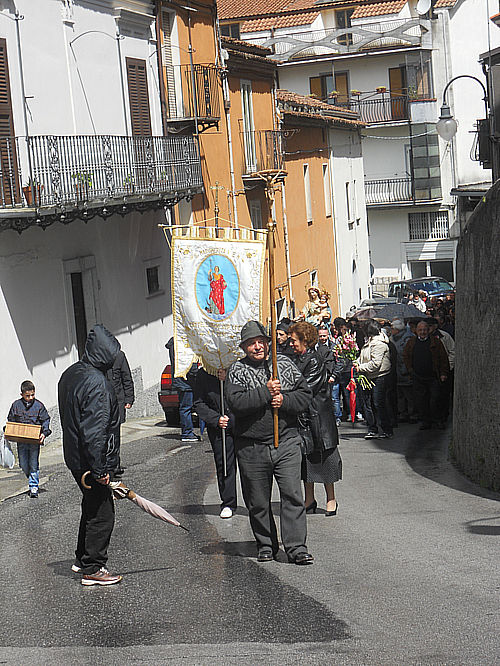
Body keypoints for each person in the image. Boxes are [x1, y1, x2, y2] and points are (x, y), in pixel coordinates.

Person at [225, 321, 314, 565]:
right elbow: (237, 404)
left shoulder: (283, 364)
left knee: (292, 495)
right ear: (244, 347)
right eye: (251, 344)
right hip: (251, 446)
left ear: (268, 342)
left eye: (261, 342)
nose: (257, 347)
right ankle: (266, 544)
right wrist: (266, 392)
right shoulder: (236, 370)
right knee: (257, 500)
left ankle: (296, 547)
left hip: (285, 442)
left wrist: (284, 400)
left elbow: (305, 394)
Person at [58, 324, 122, 586]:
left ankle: (81, 558)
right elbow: (95, 433)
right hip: (90, 461)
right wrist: (101, 471)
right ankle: (94, 568)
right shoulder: (97, 383)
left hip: (75, 457)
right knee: (103, 512)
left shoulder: (70, 373)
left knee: (91, 505)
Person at [289, 322, 341, 516]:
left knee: (325, 460)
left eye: (294, 340)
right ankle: (309, 499)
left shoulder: (314, 360)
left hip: (318, 419)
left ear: (304, 340)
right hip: (303, 419)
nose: (292, 344)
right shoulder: (296, 359)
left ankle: (331, 499)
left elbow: (305, 388)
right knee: (306, 461)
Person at [194, 367, 237, 519]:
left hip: (242, 424)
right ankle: (228, 502)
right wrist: (215, 419)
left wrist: (228, 380)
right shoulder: (203, 374)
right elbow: (199, 403)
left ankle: (255, 503)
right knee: (224, 464)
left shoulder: (239, 368)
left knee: (250, 467)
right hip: (220, 427)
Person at [6, 380, 51, 499]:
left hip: (35, 441)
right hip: (21, 441)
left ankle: (33, 486)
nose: (30, 398)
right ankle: (31, 476)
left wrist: (44, 433)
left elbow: (45, 420)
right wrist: (9, 430)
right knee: (23, 464)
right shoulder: (16, 405)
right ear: (22, 394)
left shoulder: (39, 406)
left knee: (33, 463)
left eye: (32, 395)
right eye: (27, 396)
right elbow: (11, 420)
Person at [403, 320, 449, 430]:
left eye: (424, 330)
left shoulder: (436, 342)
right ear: (416, 331)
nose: (422, 332)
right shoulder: (411, 342)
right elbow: (406, 356)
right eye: (420, 330)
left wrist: (443, 373)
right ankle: (425, 421)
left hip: (433, 376)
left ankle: (437, 420)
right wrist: (410, 370)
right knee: (421, 400)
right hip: (418, 376)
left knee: (435, 399)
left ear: (428, 330)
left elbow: (443, 358)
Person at [354, 320, 393, 439]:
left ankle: (386, 429)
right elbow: (362, 357)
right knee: (367, 404)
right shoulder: (369, 342)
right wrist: (356, 362)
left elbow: (376, 364)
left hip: (379, 376)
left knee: (378, 403)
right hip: (367, 375)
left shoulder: (379, 344)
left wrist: (360, 368)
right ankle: (372, 428)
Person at [166, 337, 200, 443]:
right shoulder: (184, 344)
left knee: (184, 408)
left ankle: (187, 432)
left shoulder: (174, 343)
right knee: (186, 408)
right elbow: (190, 365)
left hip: (180, 380)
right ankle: (187, 433)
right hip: (186, 381)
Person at [107, 349, 135, 477]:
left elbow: (126, 378)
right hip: (102, 402)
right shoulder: (96, 357)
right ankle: (106, 464)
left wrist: (129, 398)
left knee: (115, 433)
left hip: (117, 401)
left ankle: (114, 464)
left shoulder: (119, 356)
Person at [390, 320, 415, 422]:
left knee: (409, 395)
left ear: (397, 329)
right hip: (396, 371)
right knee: (400, 394)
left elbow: (407, 356)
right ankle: (402, 413)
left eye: (392, 328)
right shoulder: (392, 339)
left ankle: (412, 414)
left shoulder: (408, 338)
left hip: (405, 370)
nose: (391, 330)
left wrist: (407, 369)